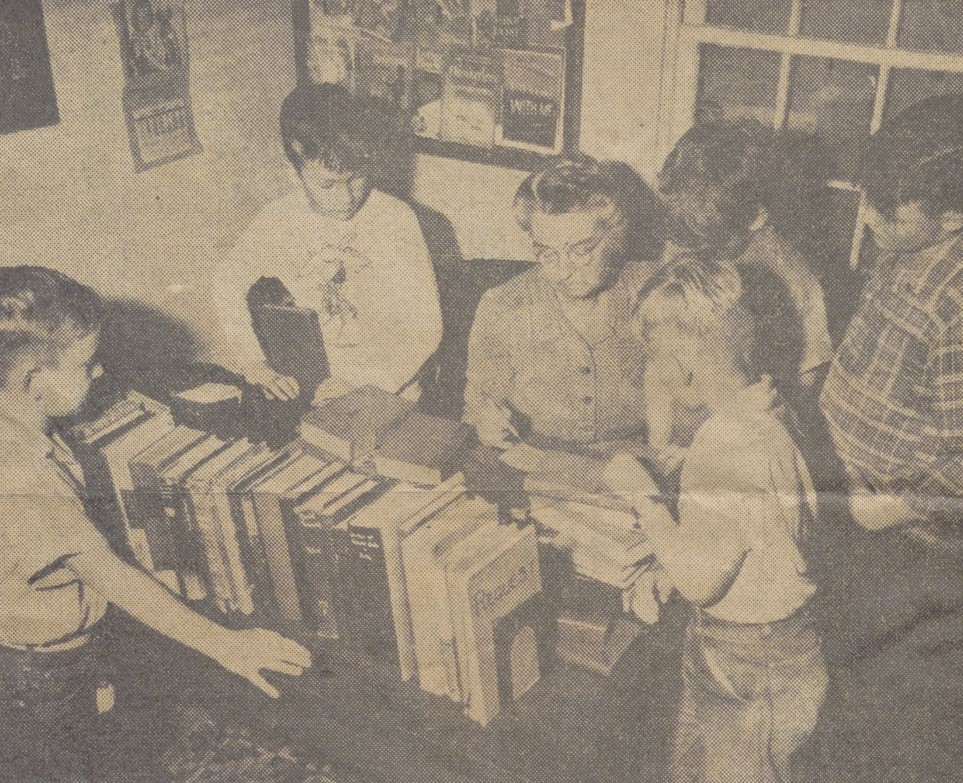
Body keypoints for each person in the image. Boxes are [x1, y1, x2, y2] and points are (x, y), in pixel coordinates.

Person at [0, 267, 312, 783]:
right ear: (35, 383)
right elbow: (111, 576)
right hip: (43, 673)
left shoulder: (22, 427)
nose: (99, 372)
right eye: (87, 364)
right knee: (65, 763)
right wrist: (227, 645)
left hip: (46, 649)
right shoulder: (22, 477)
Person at [603, 259, 826, 783]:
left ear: (682, 364)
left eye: (652, 359)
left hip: (750, 658)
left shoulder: (729, 444)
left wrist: (643, 497)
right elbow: (753, 534)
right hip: (758, 642)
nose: (649, 374)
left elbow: (701, 580)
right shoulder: (768, 407)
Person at [806, 95, 963, 783]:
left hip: (908, 550)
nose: (866, 217)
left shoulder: (956, 303)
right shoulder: (905, 249)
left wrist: (886, 509)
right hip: (852, 514)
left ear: (952, 217)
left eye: (886, 210)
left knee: (877, 719)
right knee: (827, 679)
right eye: (867, 197)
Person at [213, 83, 442, 401]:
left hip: (389, 388)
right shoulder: (277, 220)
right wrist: (253, 362)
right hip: (316, 387)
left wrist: (365, 383)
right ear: (292, 172)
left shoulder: (396, 219)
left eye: (357, 178)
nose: (346, 197)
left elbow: (426, 327)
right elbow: (226, 282)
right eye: (327, 185)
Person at [463, 155, 664, 457]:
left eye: (581, 250)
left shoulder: (654, 293)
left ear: (616, 237)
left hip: (632, 461)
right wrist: (486, 421)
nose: (562, 270)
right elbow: (479, 408)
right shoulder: (502, 306)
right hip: (536, 459)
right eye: (547, 253)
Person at [655, 118, 833, 450]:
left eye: (708, 242)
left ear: (756, 217)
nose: (689, 253)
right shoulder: (690, 231)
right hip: (686, 402)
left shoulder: (792, 278)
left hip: (746, 427)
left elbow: (808, 376)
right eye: (682, 238)